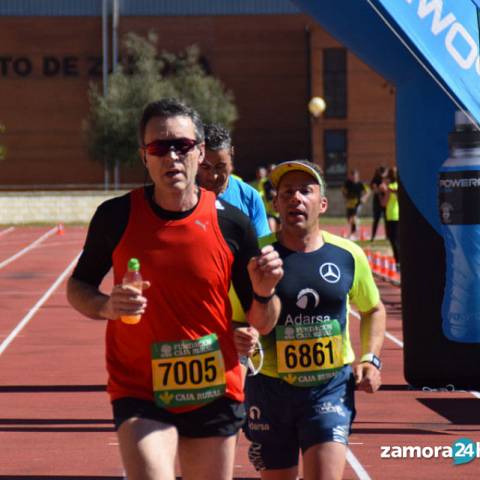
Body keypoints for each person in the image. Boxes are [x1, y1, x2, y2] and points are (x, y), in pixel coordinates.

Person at [66, 98, 283, 480]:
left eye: (182, 146)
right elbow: (78, 286)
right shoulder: (115, 216)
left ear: (200, 152)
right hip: (140, 387)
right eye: (159, 147)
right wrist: (105, 306)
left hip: (214, 385)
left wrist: (264, 293)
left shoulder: (233, 223)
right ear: (144, 157)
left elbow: (263, 321)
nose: (172, 157)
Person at [243, 160, 386, 480]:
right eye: (287, 192)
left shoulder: (348, 254)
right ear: (275, 203)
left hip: (329, 386)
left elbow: (374, 309)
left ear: (321, 203)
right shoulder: (257, 257)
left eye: (305, 191)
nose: (296, 198)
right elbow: (243, 321)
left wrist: (370, 359)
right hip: (268, 386)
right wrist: (260, 299)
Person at [197, 124, 270, 238]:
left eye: (220, 166)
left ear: (232, 153)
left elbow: (264, 246)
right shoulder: (182, 196)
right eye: (205, 167)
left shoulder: (250, 197)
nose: (213, 176)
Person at [380, 166, 400, 269]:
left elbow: (384, 203)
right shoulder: (399, 186)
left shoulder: (390, 187)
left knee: (393, 240)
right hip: (398, 215)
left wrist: (382, 194)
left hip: (391, 215)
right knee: (398, 239)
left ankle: (398, 261)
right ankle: (399, 261)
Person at [341, 169, 369, 240]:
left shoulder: (360, 184)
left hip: (357, 202)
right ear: (350, 176)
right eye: (353, 176)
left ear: (357, 176)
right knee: (349, 219)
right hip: (349, 202)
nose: (354, 178)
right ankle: (356, 225)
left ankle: (353, 234)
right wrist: (345, 197)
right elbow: (343, 190)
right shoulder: (347, 183)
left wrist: (364, 198)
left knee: (354, 217)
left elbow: (368, 191)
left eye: (355, 176)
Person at [369, 165, 387, 241]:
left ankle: (388, 236)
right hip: (377, 202)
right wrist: (379, 190)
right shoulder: (376, 179)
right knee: (376, 219)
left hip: (385, 201)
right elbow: (373, 189)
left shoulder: (386, 179)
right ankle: (373, 236)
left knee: (387, 220)